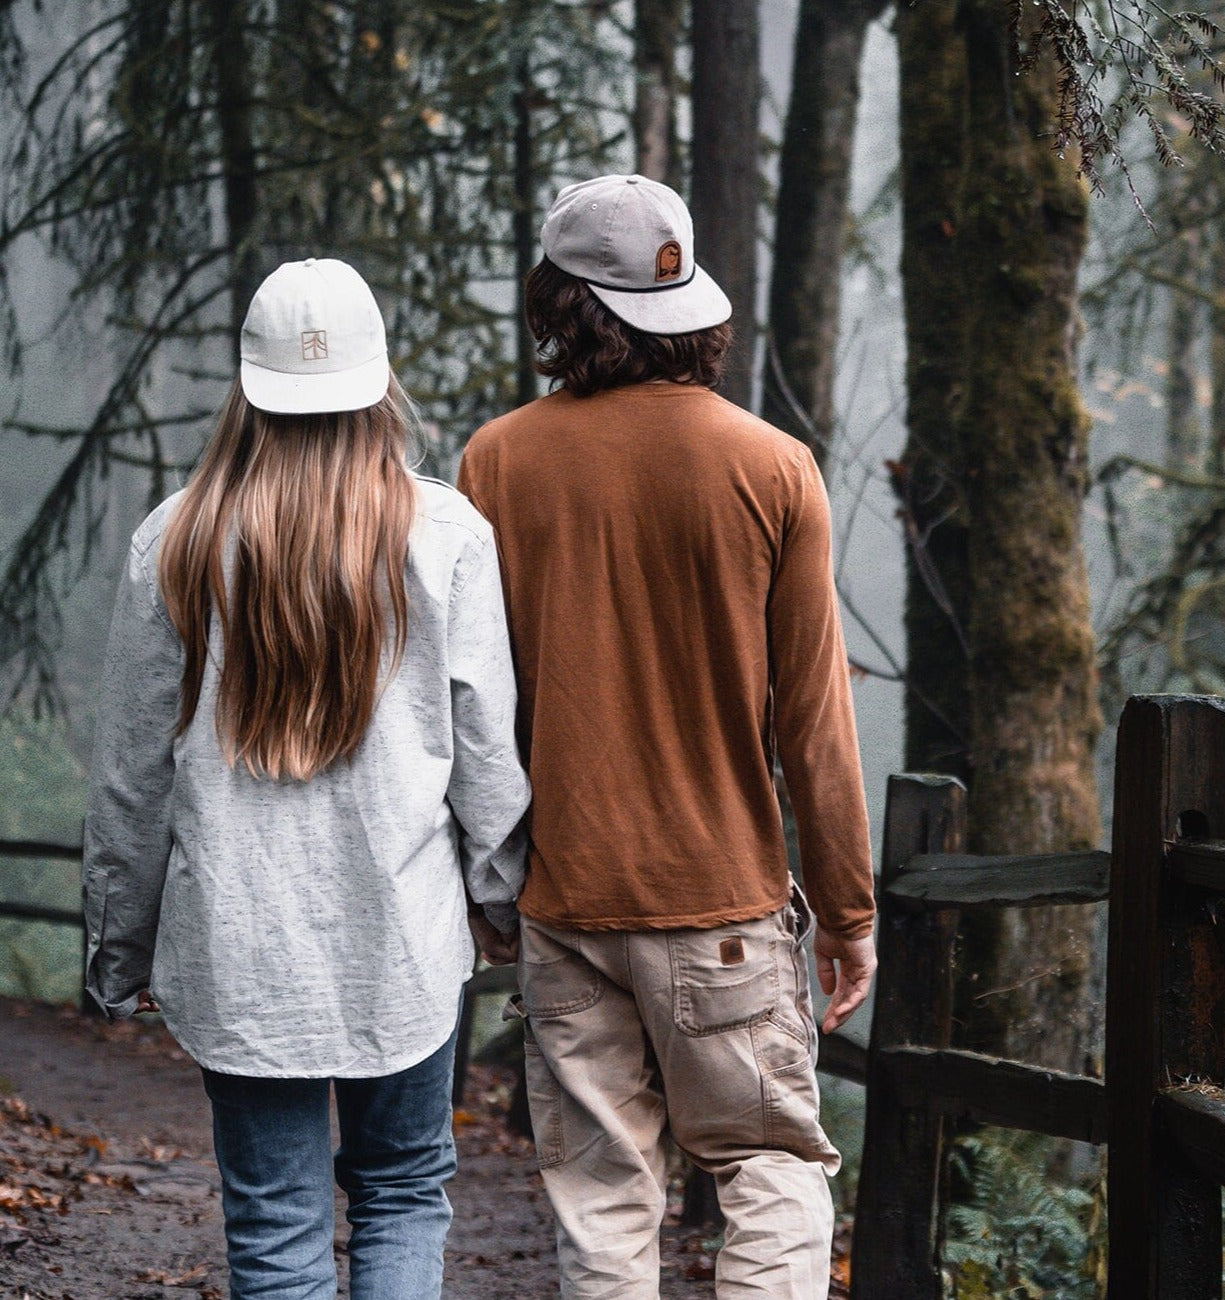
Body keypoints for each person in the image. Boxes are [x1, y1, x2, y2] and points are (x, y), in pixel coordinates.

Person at [458, 175, 878, 1299]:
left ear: (556, 301)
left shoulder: (495, 463)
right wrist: (846, 911)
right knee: (772, 1167)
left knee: (600, 1199)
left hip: (568, 898)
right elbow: (814, 721)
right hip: (724, 906)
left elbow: (472, 707)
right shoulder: (772, 467)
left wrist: (488, 883)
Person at [83, 257, 529, 1300]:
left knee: (276, 1219)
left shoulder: (178, 540)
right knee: (403, 1190)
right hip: (404, 942)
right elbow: (487, 755)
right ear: (380, 386)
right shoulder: (448, 538)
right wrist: (500, 903)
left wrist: (118, 949)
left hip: (239, 948)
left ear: (250, 390)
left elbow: (130, 782)